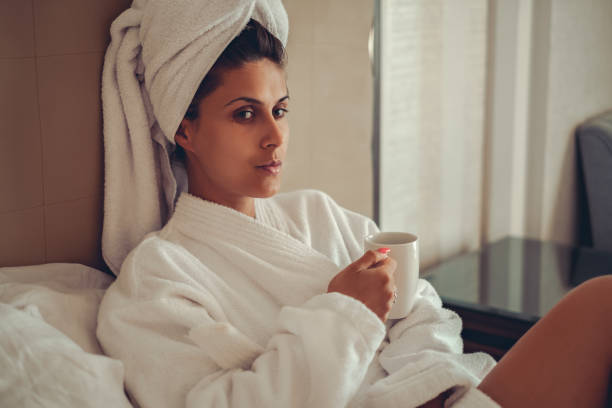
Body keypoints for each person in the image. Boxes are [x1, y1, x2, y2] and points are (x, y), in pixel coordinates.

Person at [97, 12, 612, 408]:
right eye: (245, 114)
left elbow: (420, 306)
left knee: (603, 301)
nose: (275, 136)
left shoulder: (321, 216)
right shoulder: (157, 279)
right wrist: (345, 313)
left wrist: (421, 385)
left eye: (280, 110)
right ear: (183, 129)